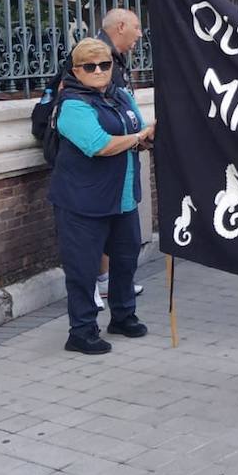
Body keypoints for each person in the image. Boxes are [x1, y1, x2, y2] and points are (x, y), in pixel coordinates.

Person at [50, 38, 153, 355]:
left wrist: (148, 137)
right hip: (83, 201)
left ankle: (123, 315)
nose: (99, 71)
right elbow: (99, 144)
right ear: (76, 70)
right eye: (90, 66)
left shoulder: (120, 96)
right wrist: (138, 138)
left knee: (125, 259)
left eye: (105, 64)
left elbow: (139, 129)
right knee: (82, 270)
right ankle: (81, 331)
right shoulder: (71, 105)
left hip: (122, 196)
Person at [94, 9, 146, 309]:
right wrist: (135, 137)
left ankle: (107, 281)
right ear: (122, 26)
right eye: (137, 28)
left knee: (117, 224)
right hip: (101, 163)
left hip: (122, 156)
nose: (140, 35)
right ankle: (92, 282)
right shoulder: (99, 57)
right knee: (97, 224)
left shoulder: (115, 57)